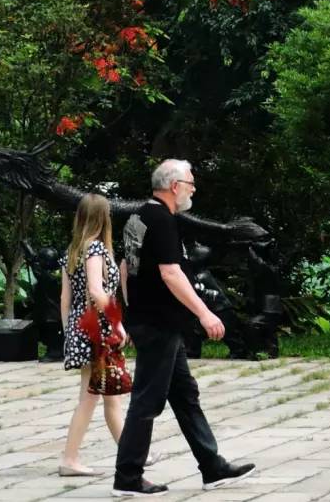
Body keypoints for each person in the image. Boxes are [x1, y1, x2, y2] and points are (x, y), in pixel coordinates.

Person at [113, 159, 255, 497]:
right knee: (147, 401)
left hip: (153, 321)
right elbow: (170, 273)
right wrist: (205, 313)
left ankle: (212, 466)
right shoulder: (161, 219)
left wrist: (127, 312)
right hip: (159, 323)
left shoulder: (137, 216)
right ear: (175, 186)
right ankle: (128, 476)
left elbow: (125, 267)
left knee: (185, 395)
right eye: (190, 183)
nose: (193, 189)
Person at [59, 193, 127, 477]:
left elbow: (66, 298)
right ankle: (69, 459)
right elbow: (97, 291)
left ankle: (131, 455)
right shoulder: (96, 249)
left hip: (79, 326)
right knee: (91, 397)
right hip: (96, 328)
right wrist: (117, 324)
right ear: (103, 217)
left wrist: (70, 333)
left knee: (108, 396)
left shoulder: (72, 250)